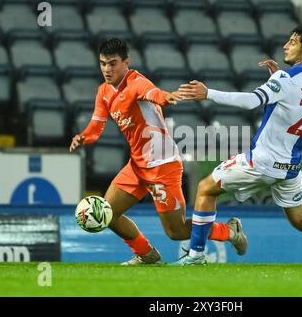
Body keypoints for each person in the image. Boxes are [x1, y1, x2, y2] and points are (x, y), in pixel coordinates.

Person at [174, 26, 302, 268]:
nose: (285, 45)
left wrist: (209, 93)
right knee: (299, 217)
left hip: (262, 162)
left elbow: (252, 101)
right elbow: (291, 97)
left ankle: (196, 256)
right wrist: (277, 79)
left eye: (293, 42)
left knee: (205, 189)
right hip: (290, 165)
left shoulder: (285, 79)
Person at [69, 38, 246, 265]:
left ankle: (230, 231)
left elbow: (154, 93)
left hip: (163, 165)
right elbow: (96, 127)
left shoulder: (135, 82)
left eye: (112, 63)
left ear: (126, 62)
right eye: (103, 63)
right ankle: (147, 255)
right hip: (137, 165)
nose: (107, 69)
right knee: (108, 214)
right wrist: (84, 136)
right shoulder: (103, 91)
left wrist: (167, 97)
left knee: (177, 231)